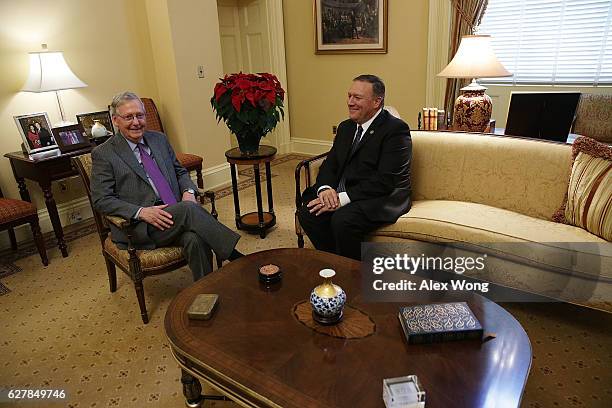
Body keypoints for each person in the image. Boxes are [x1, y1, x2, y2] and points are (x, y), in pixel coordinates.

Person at [91, 91, 243, 280]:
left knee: (194, 239)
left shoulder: (159, 139)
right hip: (140, 226)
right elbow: (101, 199)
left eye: (140, 115)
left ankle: (205, 295)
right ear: (115, 120)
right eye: (128, 117)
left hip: (174, 214)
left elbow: (180, 171)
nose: (136, 122)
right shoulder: (104, 154)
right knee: (189, 211)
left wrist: (188, 191)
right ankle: (236, 258)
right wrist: (141, 212)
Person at [297, 74, 412, 260]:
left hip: (383, 195)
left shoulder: (395, 130)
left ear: (376, 102)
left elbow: (386, 180)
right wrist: (326, 189)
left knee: (343, 220)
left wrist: (342, 198)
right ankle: (336, 262)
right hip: (349, 190)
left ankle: (353, 273)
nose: (350, 102)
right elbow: (330, 164)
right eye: (349, 96)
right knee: (309, 211)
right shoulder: (346, 127)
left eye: (357, 98)